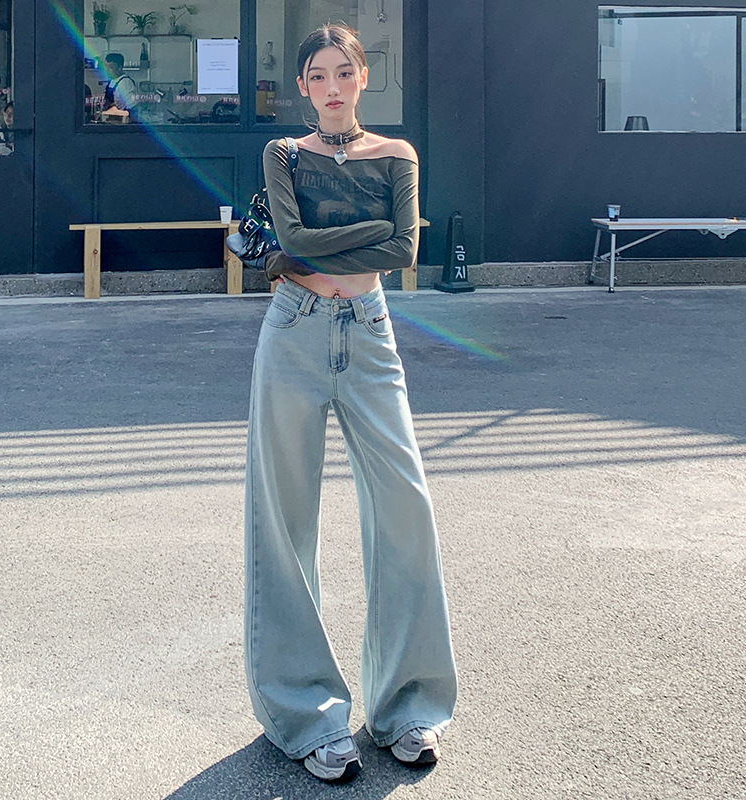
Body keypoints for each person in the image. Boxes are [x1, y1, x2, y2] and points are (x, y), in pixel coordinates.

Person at [244, 23, 458, 783]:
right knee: (283, 520)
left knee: (405, 508)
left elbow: (404, 252)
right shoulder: (283, 154)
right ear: (303, 86)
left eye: (344, 72)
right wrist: (357, 236)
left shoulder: (397, 154)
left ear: (364, 77)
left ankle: (408, 707)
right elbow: (299, 237)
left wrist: (308, 246)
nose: (331, 87)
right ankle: (305, 715)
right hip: (293, 331)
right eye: (317, 76)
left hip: (369, 333)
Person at [102, 53, 137, 119]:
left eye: (111, 67)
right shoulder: (113, 81)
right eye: (106, 67)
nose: (107, 70)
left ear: (120, 68)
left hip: (120, 120)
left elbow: (133, 107)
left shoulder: (125, 83)